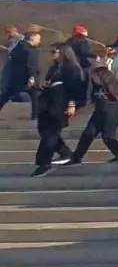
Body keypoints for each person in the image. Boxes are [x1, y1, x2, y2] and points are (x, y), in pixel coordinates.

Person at [31, 45, 85, 177]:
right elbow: (49, 82)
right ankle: (65, 152)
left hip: (59, 103)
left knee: (51, 133)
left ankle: (44, 162)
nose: (51, 54)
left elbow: (76, 87)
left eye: (54, 52)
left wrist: (72, 104)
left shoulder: (72, 68)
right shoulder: (54, 68)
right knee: (44, 130)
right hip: (47, 102)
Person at [66, 65, 118, 165]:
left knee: (108, 136)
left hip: (113, 112)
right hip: (99, 112)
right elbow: (91, 102)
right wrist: (78, 112)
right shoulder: (95, 88)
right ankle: (76, 158)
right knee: (88, 134)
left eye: (94, 76)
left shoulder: (116, 85)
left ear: (102, 76)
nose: (92, 78)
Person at [0, 29, 41, 118]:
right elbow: (31, 65)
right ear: (31, 39)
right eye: (38, 39)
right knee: (34, 95)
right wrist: (31, 77)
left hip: (16, 77)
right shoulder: (32, 50)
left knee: (6, 95)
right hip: (27, 78)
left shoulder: (19, 47)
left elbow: (12, 56)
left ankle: (35, 114)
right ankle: (35, 115)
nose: (39, 41)